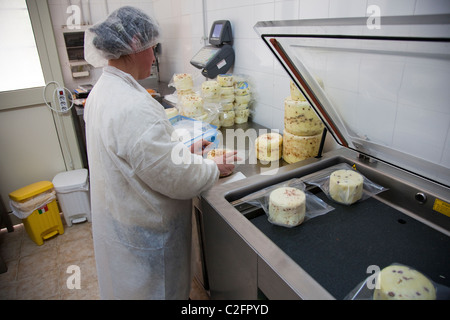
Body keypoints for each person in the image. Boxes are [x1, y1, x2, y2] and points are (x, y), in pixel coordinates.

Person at [83, 6, 237, 300]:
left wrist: (179, 150)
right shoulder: (134, 106)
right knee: (157, 291)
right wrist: (213, 167)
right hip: (147, 230)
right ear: (132, 45)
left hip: (123, 222)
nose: (153, 57)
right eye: (150, 48)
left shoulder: (103, 91)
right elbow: (176, 178)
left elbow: (139, 157)